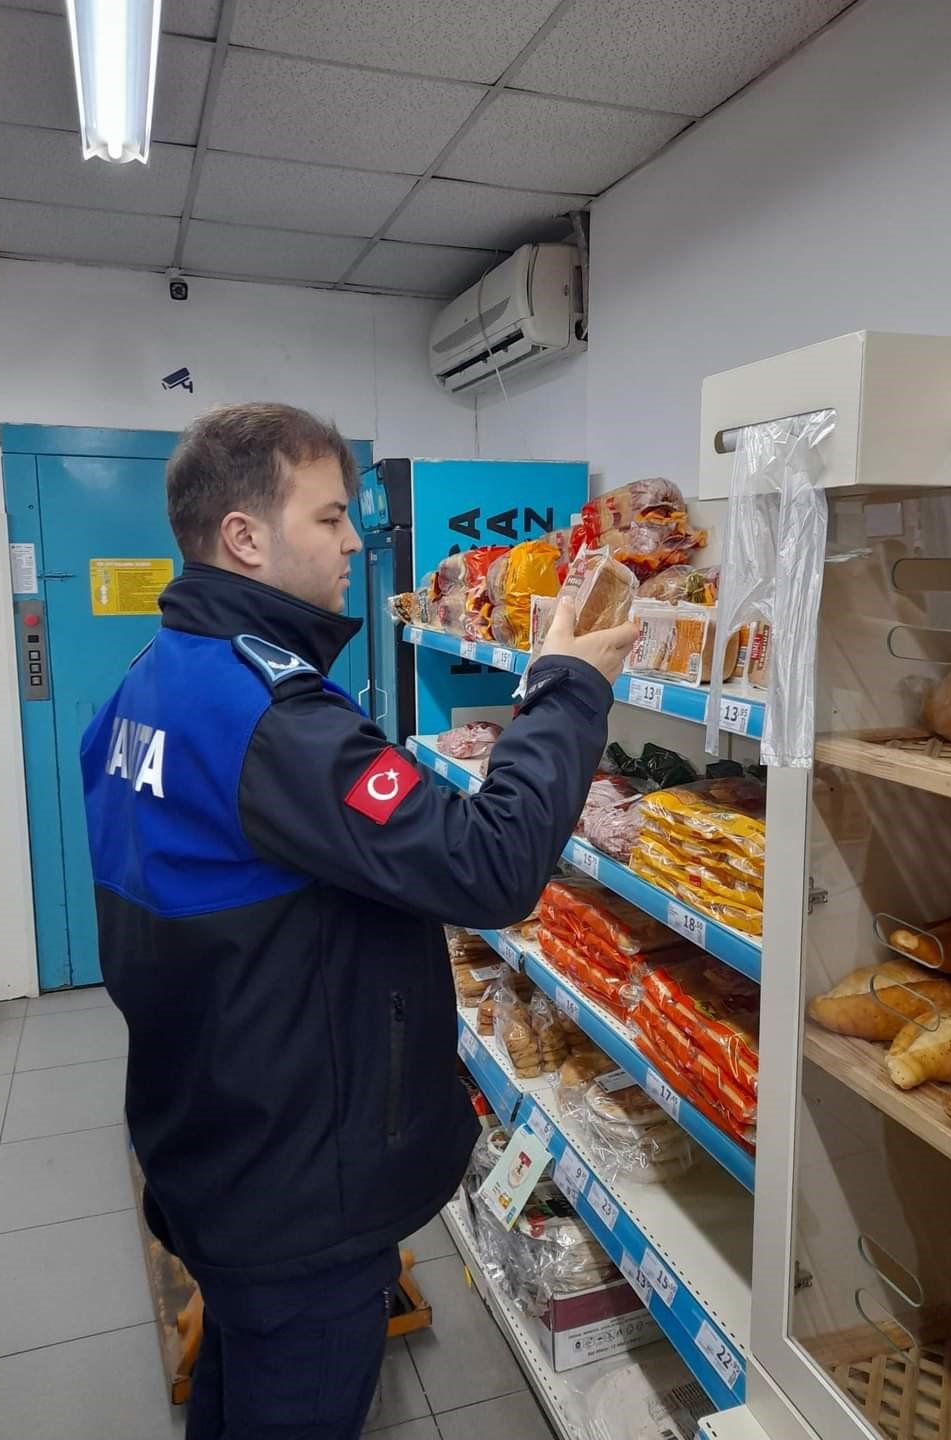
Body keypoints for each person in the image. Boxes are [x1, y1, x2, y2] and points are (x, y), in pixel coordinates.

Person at [80, 402, 638, 1440]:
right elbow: (489, 865)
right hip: (300, 1186)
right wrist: (565, 686)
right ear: (246, 537)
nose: (354, 542)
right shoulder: (271, 715)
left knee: (238, 1384)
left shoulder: (140, 688)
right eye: (331, 519)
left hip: (207, 1139)